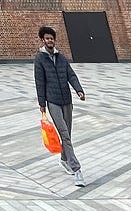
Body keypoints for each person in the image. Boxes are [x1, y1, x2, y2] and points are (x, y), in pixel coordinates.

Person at [35, 26, 87, 187]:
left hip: (67, 100)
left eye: (52, 38)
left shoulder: (61, 57)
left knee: (68, 134)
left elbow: (71, 74)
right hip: (53, 101)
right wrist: (42, 104)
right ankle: (77, 170)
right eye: (47, 38)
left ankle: (64, 160)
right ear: (42, 40)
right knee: (64, 133)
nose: (50, 40)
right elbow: (39, 82)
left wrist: (79, 90)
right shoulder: (40, 59)